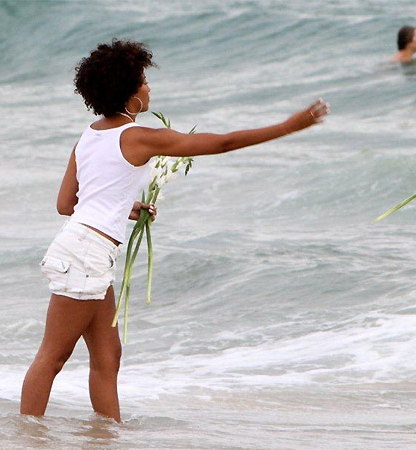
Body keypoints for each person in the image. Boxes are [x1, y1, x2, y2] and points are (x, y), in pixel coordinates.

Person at [19, 38, 330, 423]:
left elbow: (67, 204)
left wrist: (125, 207)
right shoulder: (138, 136)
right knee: (53, 356)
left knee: (107, 355)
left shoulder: (89, 135)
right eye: (144, 80)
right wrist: (287, 126)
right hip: (86, 253)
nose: (149, 88)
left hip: (86, 248)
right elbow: (221, 143)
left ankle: (108, 436)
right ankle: (25, 438)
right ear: (129, 90)